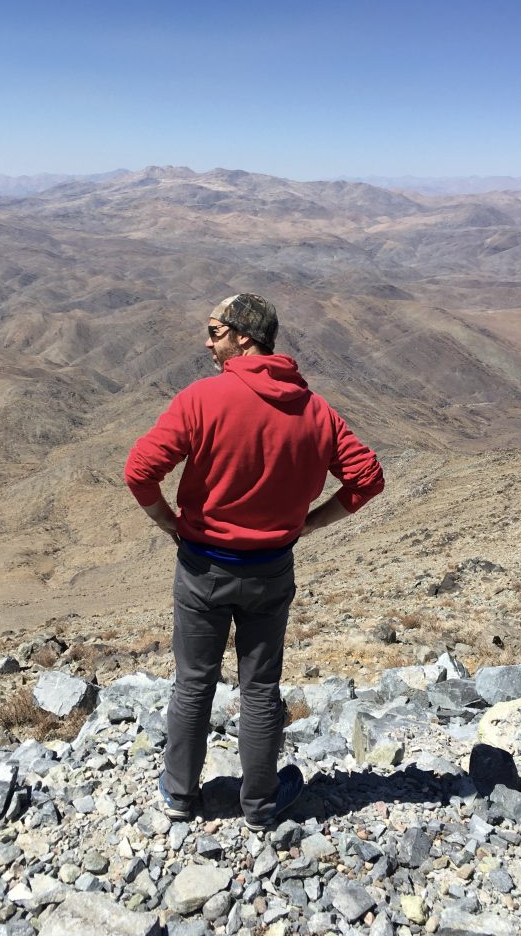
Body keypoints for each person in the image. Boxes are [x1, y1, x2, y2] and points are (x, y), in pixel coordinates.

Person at [124, 293, 384, 830]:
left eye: (215, 331)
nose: (207, 341)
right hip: (271, 569)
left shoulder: (203, 398)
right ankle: (261, 805)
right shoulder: (315, 411)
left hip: (202, 568)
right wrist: (310, 522)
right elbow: (367, 479)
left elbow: (139, 471)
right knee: (261, 687)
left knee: (193, 683)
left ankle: (178, 795)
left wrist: (169, 523)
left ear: (245, 338)